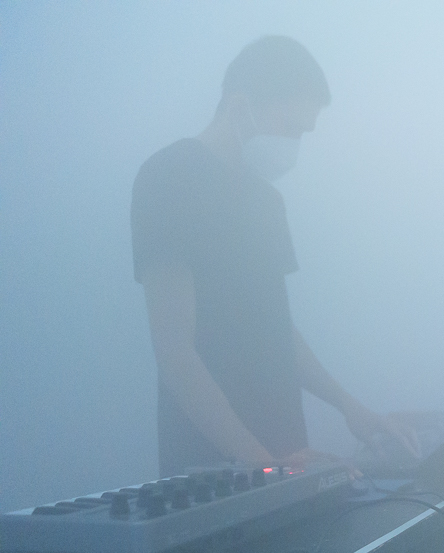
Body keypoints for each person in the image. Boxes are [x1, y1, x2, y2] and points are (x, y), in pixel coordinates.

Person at [131, 36, 417, 477]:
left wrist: (349, 407)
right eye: (292, 128)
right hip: (211, 471)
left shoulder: (267, 202)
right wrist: (264, 465)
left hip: (285, 455)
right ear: (240, 106)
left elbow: (277, 329)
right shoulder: (167, 178)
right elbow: (175, 353)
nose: (296, 143)